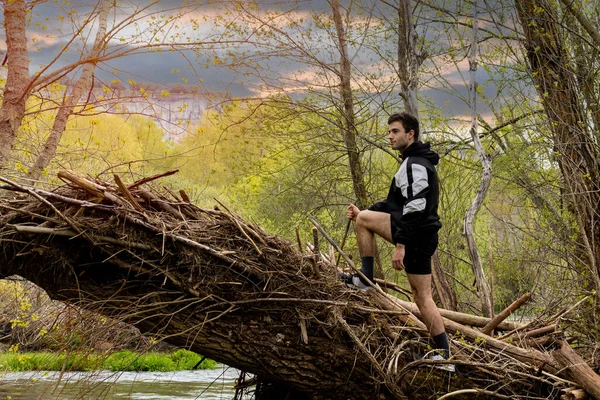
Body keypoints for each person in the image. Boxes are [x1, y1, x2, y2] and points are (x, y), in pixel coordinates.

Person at [339, 111, 453, 369]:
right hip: (421, 235)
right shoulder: (413, 162)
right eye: (389, 131)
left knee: (423, 296)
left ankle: (365, 280)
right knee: (422, 296)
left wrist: (401, 246)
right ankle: (444, 356)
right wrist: (364, 213)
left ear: (410, 134)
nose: (389, 136)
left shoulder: (416, 165)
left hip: (416, 235)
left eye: (395, 131)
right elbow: (395, 204)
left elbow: (415, 207)